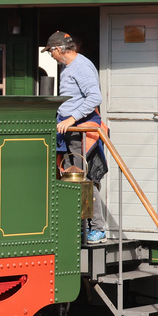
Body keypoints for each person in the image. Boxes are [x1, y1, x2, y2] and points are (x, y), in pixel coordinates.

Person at [49, 32, 107, 243]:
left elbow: (95, 97)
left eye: (51, 52)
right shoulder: (68, 67)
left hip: (80, 129)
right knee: (72, 177)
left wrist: (72, 118)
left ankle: (97, 228)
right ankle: (81, 226)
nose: (52, 56)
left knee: (84, 178)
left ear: (59, 49)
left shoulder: (81, 66)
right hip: (70, 129)